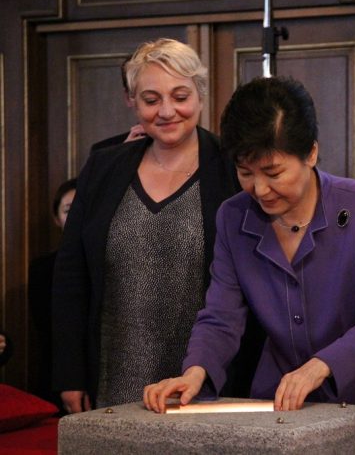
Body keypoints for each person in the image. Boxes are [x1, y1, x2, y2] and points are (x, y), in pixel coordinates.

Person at [143, 76, 355, 441]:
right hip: (281, 410)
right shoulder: (234, 217)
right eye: (246, 173)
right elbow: (221, 316)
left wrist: (321, 366)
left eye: (273, 173)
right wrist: (196, 371)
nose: (259, 189)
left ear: (310, 153)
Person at [52, 38, 261, 414]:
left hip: (210, 384)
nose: (167, 111)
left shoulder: (233, 169)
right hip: (114, 381)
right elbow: (71, 276)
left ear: (199, 95)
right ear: (131, 101)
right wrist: (70, 374)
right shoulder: (103, 168)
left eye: (180, 96)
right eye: (151, 100)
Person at [28, 178, 77, 411]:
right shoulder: (42, 268)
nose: (76, 216)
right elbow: (47, 328)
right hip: (58, 373)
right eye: (68, 210)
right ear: (57, 219)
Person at [90, 54, 146, 151]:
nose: (166, 112)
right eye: (151, 100)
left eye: (180, 98)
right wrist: (120, 155)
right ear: (128, 97)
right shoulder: (103, 151)